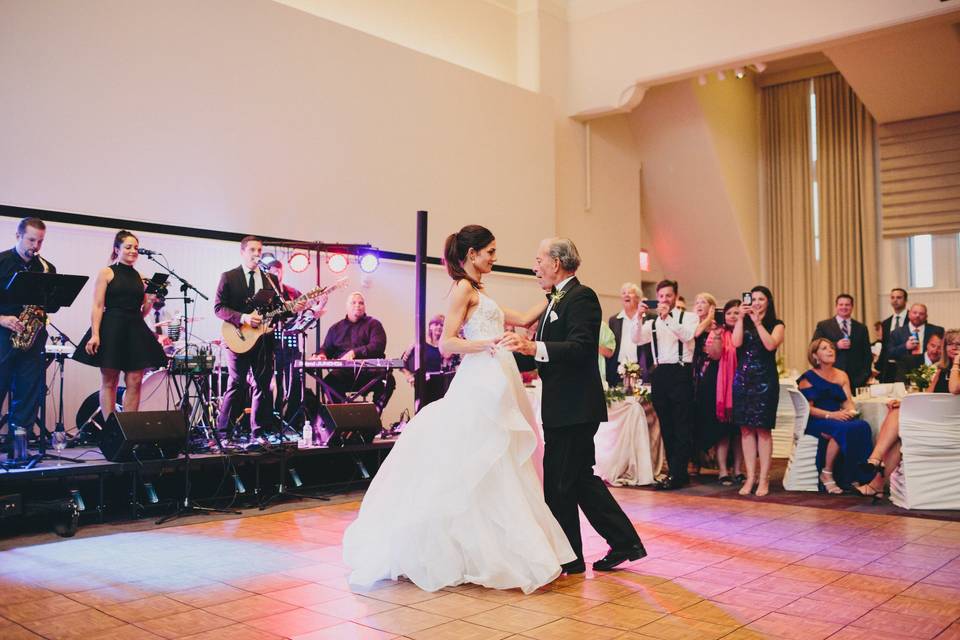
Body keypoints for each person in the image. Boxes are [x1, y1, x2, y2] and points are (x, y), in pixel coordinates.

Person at [342, 225, 575, 594]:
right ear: (471, 255)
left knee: (498, 458)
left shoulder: (481, 290)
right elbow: (449, 342)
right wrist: (488, 344)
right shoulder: (463, 288)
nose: (494, 258)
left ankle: (496, 547)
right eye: (490, 252)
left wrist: (558, 293)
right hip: (481, 377)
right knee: (483, 452)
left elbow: (522, 317)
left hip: (499, 374)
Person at [503, 237, 645, 573]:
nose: (535, 267)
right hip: (563, 406)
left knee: (558, 483)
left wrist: (532, 347)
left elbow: (580, 347)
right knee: (579, 479)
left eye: (539, 260)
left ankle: (570, 557)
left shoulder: (582, 296)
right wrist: (506, 355)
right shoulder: (553, 300)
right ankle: (624, 542)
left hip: (574, 407)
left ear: (556, 262)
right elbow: (545, 353)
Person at [215, 236, 305, 442]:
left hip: (263, 340)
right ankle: (223, 433)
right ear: (242, 252)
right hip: (237, 336)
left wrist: (294, 309)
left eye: (259, 250)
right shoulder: (229, 277)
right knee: (236, 383)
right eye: (253, 250)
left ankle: (259, 432)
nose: (257, 254)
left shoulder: (269, 280)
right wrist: (243, 317)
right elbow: (219, 308)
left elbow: (277, 312)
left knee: (263, 385)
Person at [73, 231, 168, 421]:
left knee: (135, 380)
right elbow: (98, 305)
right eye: (128, 247)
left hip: (134, 329)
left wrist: (149, 300)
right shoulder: (107, 272)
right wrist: (95, 334)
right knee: (110, 380)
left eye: (135, 247)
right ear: (117, 249)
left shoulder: (141, 277)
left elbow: (141, 312)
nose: (133, 251)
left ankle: (129, 427)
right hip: (112, 329)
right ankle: (111, 428)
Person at [856, 339, 960, 498]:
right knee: (898, 426)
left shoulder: (955, 370)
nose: (954, 347)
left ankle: (874, 463)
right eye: (950, 344)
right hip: (934, 420)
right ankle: (876, 480)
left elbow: (954, 388)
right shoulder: (941, 369)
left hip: (952, 426)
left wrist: (957, 364)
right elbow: (928, 396)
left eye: (959, 344)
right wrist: (905, 402)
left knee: (898, 418)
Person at [632, 279, 698, 490]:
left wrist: (667, 317)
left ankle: (680, 474)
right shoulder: (652, 323)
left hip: (681, 372)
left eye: (668, 296)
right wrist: (638, 317)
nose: (664, 300)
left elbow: (688, 336)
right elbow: (636, 339)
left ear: (676, 297)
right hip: (660, 374)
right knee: (666, 425)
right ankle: (674, 472)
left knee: (682, 424)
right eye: (661, 296)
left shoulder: (688, 317)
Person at [0, 218, 56, 454]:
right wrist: (2, 318)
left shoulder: (45, 268)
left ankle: (18, 448)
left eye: (40, 241)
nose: (36, 246)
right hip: (2, 336)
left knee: (28, 393)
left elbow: (52, 304)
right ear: (18, 236)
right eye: (32, 239)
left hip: (31, 339)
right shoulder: (1, 262)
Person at [797, 338, 873, 494]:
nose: (830, 350)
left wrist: (850, 413)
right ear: (815, 355)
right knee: (842, 430)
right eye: (824, 348)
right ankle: (827, 473)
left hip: (837, 417)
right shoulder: (808, 378)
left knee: (862, 426)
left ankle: (856, 475)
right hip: (817, 419)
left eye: (831, 347)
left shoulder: (842, 375)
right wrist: (831, 415)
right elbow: (807, 409)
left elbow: (848, 402)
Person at [732, 285, 785, 497]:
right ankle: (750, 477)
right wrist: (739, 318)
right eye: (753, 299)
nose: (756, 303)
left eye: (761, 299)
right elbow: (736, 343)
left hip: (765, 380)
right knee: (745, 429)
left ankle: (764, 478)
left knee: (763, 429)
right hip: (743, 380)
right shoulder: (743, 322)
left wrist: (758, 323)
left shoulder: (777, 324)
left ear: (768, 302)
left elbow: (770, 345)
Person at [263, 254, 326, 423]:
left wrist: (317, 308)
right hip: (271, 345)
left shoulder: (293, 292)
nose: (277, 275)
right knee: (273, 384)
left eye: (279, 272)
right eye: (273, 272)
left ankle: (292, 420)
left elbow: (305, 319)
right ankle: (272, 421)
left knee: (296, 381)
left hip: (291, 345)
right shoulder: (265, 295)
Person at [315, 292, 395, 413]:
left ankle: (374, 413)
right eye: (354, 302)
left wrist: (354, 353)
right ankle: (342, 416)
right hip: (344, 374)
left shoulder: (374, 324)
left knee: (388, 380)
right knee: (328, 382)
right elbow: (326, 348)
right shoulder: (336, 328)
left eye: (361, 303)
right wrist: (322, 355)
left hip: (369, 373)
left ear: (365, 307)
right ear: (347, 306)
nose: (357, 305)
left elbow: (378, 346)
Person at [705, 299, 744, 485]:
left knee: (739, 431)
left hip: (741, 383)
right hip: (719, 385)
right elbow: (714, 355)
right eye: (729, 313)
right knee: (723, 431)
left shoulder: (745, 332)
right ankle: (722, 470)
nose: (732, 316)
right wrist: (718, 336)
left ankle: (738, 469)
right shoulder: (716, 332)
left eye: (736, 312)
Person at [692, 292, 727, 473]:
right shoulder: (691, 324)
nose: (699, 305)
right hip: (693, 372)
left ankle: (719, 464)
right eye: (696, 302)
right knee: (694, 416)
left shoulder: (715, 327)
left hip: (712, 372)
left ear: (711, 307)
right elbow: (694, 334)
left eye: (703, 302)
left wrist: (712, 320)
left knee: (711, 415)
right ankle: (695, 461)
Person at [811, 294, 872, 390]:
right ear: (836, 306)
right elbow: (814, 347)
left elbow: (867, 355)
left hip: (856, 381)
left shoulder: (861, 328)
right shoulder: (824, 326)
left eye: (847, 305)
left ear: (852, 307)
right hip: (830, 378)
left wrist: (865, 376)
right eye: (841, 304)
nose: (844, 307)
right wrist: (836, 345)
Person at [400, 314, 458, 408]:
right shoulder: (419, 343)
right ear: (430, 326)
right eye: (436, 324)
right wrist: (410, 378)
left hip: (442, 386)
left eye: (442, 325)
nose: (439, 327)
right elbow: (402, 363)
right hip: (424, 385)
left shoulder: (446, 345)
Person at [606, 283, 648, 387]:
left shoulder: (647, 318)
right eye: (624, 293)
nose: (626, 295)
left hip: (641, 367)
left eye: (630, 293)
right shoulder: (614, 320)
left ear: (638, 298)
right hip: (618, 368)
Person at [888, 303, 944, 369]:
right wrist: (905, 346)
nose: (917, 316)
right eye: (915, 313)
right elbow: (889, 353)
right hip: (904, 370)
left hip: (930, 369)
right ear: (909, 314)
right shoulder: (897, 332)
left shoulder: (936, 330)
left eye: (921, 314)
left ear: (926, 316)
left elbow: (943, 351)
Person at [878, 288, 909, 382]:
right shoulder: (886, 323)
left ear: (905, 300)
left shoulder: (913, 319)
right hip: (889, 367)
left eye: (899, 297)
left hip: (907, 365)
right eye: (892, 297)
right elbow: (885, 347)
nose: (895, 300)